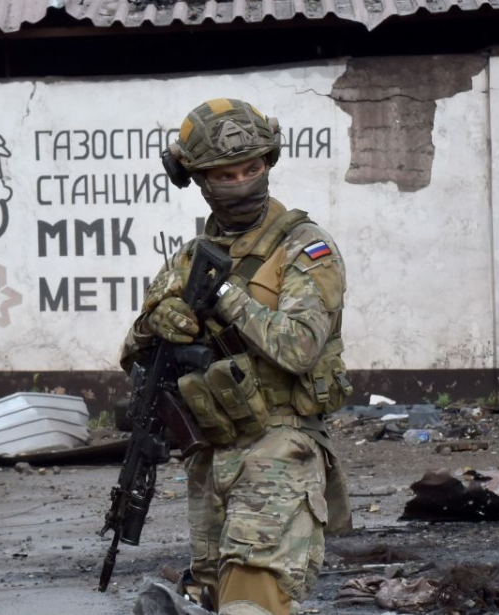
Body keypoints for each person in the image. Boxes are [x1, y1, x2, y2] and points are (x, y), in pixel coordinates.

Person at [121, 99, 352, 615]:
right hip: (210, 454)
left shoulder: (305, 248)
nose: (243, 181)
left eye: (253, 167)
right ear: (198, 179)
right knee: (212, 597)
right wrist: (155, 323)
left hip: (280, 447)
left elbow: (299, 347)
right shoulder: (189, 256)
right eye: (226, 173)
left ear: (270, 161)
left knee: (254, 596)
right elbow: (133, 352)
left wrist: (223, 293)